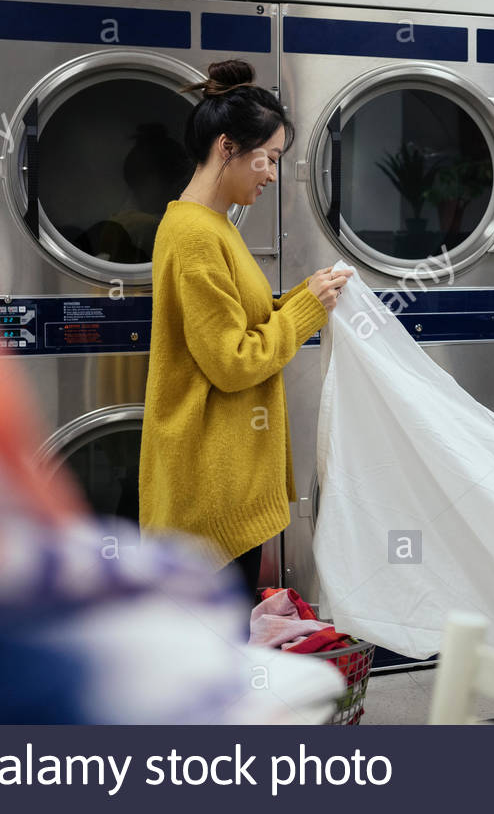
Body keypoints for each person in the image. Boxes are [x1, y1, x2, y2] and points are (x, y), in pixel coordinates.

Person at [138, 59, 353, 594]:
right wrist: (305, 312)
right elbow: (232, 362)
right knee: (221, 651)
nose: (273, 175)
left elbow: (237, 320)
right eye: (270, 158)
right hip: (210, 487)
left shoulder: (210, 226)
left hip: (226, 476)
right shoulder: (194, 234)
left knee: (226, 648)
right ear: (227, 147)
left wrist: (303, 297)